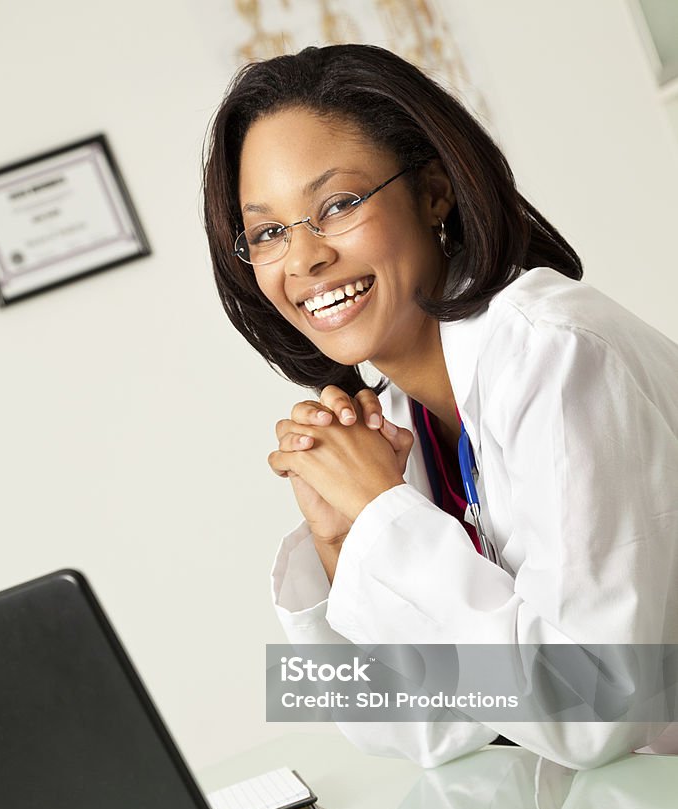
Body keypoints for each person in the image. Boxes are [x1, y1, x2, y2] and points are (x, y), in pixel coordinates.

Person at [202, 43, 678, 770]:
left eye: (335, 205)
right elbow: (422, 735)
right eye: (267, 232)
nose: (302, 260)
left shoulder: (555, 354)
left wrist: (383, 517)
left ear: (432, 192)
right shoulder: (401, 415)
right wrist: (342, 545)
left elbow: (593, 711)